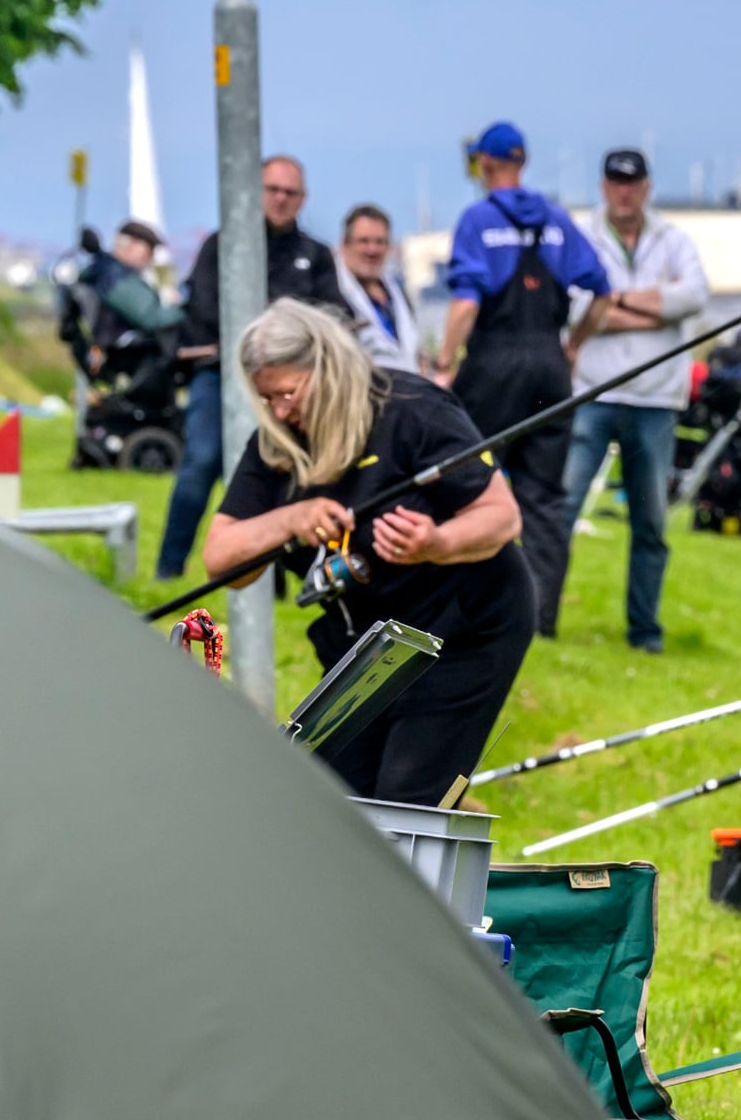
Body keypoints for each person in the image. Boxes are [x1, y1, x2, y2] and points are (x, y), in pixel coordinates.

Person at [199, 299, 532, 803]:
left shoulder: (414, 410)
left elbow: (502, 516)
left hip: (463, 627)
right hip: (365, 645)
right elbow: (222, 559)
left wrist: (436, 544)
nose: (281, 412)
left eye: (289, 393)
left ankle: (423, 877)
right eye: (266, 399)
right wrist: (288, 519)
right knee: (335, 800)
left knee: (407, 797)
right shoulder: (277, 443)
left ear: (327, 370)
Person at [441, 123, 613, 635]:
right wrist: (574, 345)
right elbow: (602, 291)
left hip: (493, 363)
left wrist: (446, 362)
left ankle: (469, 612)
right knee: (544, 498)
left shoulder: (477, 220)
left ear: (485, 165)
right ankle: (541, 618)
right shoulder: (557, 221)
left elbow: (467, 301)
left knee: (471, 486)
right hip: (549, 365)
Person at [157, 155, 337, 581]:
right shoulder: (222, 246)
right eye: (272, 190)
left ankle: (279, 579)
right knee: (201, 462)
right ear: (256, 192)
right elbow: (201, 307)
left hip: (293, 388)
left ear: (303, 199)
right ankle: (168, 569)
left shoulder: (315, 254)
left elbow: (332, 316)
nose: (280, 199)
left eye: (290, 193)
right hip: (219, 373)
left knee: (285, 473)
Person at [568, 148, 710, 654]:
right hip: (592, 391)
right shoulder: (580, 235)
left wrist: (614, 301)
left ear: (646, 187)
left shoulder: (674, 238)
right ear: (604, 186)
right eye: (614, 182)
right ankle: (540, 622)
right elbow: (576, 307)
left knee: (651, 522)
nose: (623, 191)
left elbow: (694, 296)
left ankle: (644, 632)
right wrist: (656, 307)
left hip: (655, 399)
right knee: (561, 510)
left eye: (632, 182)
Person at [332, 204, 430, 377]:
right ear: (344, 245)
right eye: (364, 241)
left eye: (380, 242)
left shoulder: (397, 291)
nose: (372, 250)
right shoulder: (333, 292)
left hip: (411, 392)